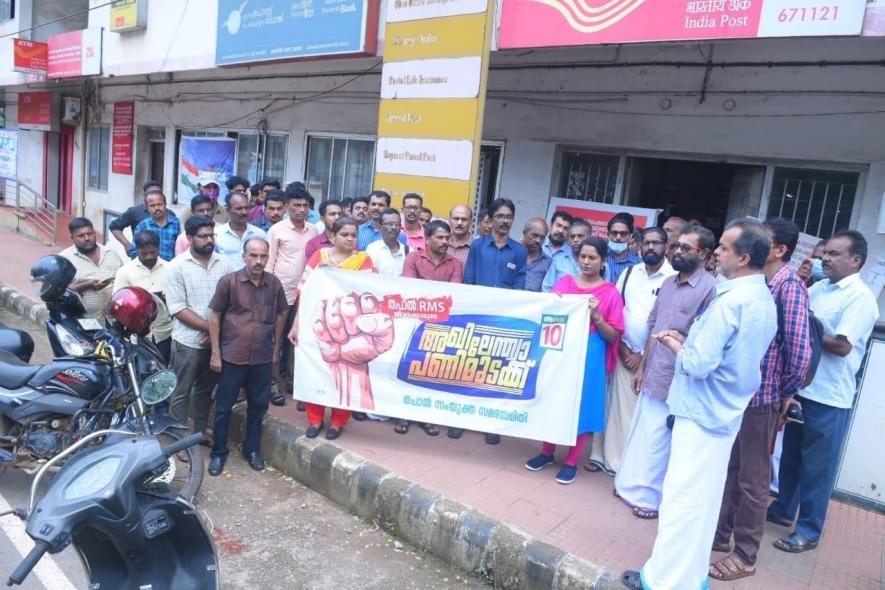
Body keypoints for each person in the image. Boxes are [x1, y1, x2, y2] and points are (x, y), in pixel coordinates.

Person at [622, 218, 778, 590]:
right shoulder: (762, 299)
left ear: (742, 258)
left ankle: (662, 581)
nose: (717, 254)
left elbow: (698, 364)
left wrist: (677, 344)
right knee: (703, 505)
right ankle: (688, 579)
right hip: (724, 413)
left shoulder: (730, 302)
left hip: (701, 413)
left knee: (681, 504)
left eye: (723, 248)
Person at [709, 218, 812, 581]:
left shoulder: (789, 287)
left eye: (762, 240)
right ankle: (721, 535)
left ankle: (746, 554)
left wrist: (786, 394)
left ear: (779, 250)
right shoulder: (759, 283)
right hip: (740, 395)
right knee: (732, 469)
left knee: (753, 480)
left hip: (764, 397)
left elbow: (800, 351)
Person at [766, 230, 878, 554]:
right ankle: (784, 508)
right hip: (803, 389)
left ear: (856, 260)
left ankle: (809, 529)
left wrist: (803, 330)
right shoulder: (818, 288)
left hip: (830, 397)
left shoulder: (859, 297)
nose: (825, 258)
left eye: (834, 254)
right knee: (791, 456)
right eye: (825, 253)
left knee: (818, 467)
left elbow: (842, 345)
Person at [614, 224, 718, 519]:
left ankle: (650, 499)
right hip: (654, 371)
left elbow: (704, 342)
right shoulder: (670, 283)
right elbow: (653, 326)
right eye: (677, 246)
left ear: (705, 254)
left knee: (662, 440)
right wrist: (643, 367)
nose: (679, 252)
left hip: (680, 378)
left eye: (687, 248)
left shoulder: (711, 291)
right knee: (644, 433)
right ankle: (630, 487)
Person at [525, 237, 624, 484]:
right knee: (553, 398)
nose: (587, 262)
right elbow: (549, 317)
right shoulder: (564, 283)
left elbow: (614, 335)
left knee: (581, 405)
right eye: (583, 257)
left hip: (591, 353)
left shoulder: (610, 293)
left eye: (593, 258)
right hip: (561, 350)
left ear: (603, 261)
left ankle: (571, 461)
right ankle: (547, 452)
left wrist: (597, 316)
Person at [587, 227, 674, 474]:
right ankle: (599, 456)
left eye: (656, 243)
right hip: (620, 348)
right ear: (639, 245)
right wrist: (623, 346)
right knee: (608, 405)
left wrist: (642, 357)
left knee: (630, 413)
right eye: (646, 243)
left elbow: (663, 321)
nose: (650, 248)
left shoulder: (672, 277)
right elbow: (616, 309)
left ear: (666, 247)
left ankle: (619, 463)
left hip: (650, 357)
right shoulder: (629, 273)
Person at [289, 217, 376, 440]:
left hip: (349, 327)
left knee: (345, 373)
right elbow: (305, 291)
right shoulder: (320, 257)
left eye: (353, 235)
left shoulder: (364, 261)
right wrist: (297, 323)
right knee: (315, 369)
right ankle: (315, 419)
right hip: (317, 323)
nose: (349, 239)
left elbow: (369, 293)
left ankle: (338, 421)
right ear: (333, 236)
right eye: (344, 234)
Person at [207, 237, 288, 476]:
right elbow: (215, 317)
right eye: (253, 255)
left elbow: (282, 313)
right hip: (232, 356)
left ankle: (251, 450)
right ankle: (219, 453)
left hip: (262, 357)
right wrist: (215, 353)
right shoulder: (229, 283)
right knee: (223, 408)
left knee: (258, 406)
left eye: (263, 256)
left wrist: (276, 347)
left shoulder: (273, 284)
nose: (258, 261)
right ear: (244, 257)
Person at [462, 198, 527, 445]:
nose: (505, 221)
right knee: (469, 367)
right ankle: (462, 420)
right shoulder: (478, 246)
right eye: (500, 216)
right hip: (477, 317)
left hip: (503, 321)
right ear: (490, 220)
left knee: (496, 371)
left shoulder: (519, 251)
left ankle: (491, 423)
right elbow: (469, 279)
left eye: (509, 216)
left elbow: (520, 287)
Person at [165, 215, 236, 441]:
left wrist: (216, 332)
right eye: (202, 236)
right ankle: (179, 440)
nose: (208, 241)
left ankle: (198, 432)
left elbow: (233, 303)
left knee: (205, 390)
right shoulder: (176, 267)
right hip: (187, 341)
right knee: (181, 392)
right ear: (189, 238)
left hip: (215, 342)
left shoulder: (225, 264)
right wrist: (210, 329)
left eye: (211, 236)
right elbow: (177, 308)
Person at [396, 219, 464, 437]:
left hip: (441, 325)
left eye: (447, 238)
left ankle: (426, 417)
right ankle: (403, 414)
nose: (445, 241)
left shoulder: (455, 264)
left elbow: (453, 296)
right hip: (413, 322)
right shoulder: (413, 258)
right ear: (427, 239)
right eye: (440, 237)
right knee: (409, 366)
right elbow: (409, 290)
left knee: (431, 371)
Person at [266, 186, 318, 406]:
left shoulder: (313, 230)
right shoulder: (277, 230)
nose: (301, 210)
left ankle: (295, 383)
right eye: (297, 205)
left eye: (305, 206)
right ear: (287, 207)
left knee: (298, 341)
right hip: (280, 294)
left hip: (305, 295)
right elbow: (269, 262)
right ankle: (272, 384)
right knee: (275, 341)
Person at [113, 231, 174, 364]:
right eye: (144, 254)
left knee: (161, 371)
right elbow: (118, 302)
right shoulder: (125, 271)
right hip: (136, 336)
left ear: (158, 248)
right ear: (137, 250)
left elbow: (179, 301)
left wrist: (166, 300)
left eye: (152, 253)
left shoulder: (170, 269)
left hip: (164, 333)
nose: (148, 257)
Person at [60, 217, 123, 325]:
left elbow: (124, 280)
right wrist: (86, 285)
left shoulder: (111, 254)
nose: (87, 238)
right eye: (81, 236)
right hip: (85, 322)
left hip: (113, 320)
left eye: (90, 234)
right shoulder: (64, 260)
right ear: (72, 238)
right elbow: (59, 292)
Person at [215, 191, 268, 269]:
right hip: (225, 280)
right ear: (228, 210)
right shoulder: (217, 234)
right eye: (239, 209)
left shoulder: (259, 234)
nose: (244, 212)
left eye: (246, 208)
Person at [109, 180, 163, 254]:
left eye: (157, 193)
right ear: (144, 195)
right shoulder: (134, 211)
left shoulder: (170, 215)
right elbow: (114, 226)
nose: (154, 195)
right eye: (151, 193)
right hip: (140, 257)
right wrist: (126, 244)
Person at [130, 190, 181, 261]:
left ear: (165, 204)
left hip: (172, 268)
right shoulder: (142, 226)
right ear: (147, 208)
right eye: (152, 205)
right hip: (149, 267)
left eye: (159, 204)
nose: (157, 208)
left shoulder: (177, 224)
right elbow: (134, 251)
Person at [542, 218, 590, 292]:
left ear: (589, 237)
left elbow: (603, 291)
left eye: (580, 236)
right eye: (572, 236)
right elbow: (546, 287)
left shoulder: (598, 263)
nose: (575, 240)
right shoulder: (558, 260)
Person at [366, 208, 409, 277]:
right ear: (380, 227)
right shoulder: (372, 249)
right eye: (389, 224)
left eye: (397, 224)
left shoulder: (409, 251)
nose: (394, 227)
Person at [540, 211, 573, 291]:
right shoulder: (538, 246)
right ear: (551, 225)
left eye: (565, 228)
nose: (561, 231)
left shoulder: (572, 255)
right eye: (558, 225)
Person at [606, 213, 641, 284]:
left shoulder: (639, 264)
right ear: (608, 235)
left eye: (623, 233)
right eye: (614, 233)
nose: (618, 237)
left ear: (630, 236)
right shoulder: (599, 257)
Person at [521, 218, 551, 292]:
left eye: (542, 237)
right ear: (525, 233)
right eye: (535, 235)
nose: (538, 240)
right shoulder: (512, 253)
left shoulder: (548, 263)